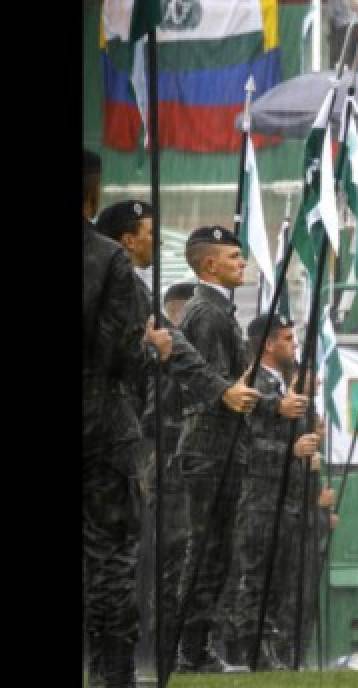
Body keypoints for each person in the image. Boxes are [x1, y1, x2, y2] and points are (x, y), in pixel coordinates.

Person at [93, 202, 239, 677]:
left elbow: (172, 345)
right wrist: (151, 350)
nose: (156, 243)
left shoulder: (123, 280)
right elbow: (156, 350)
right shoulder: (119, 278)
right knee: (121, 549)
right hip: (117, 429)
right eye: (149, 233)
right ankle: (119, 666)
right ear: (126, 239)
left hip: (117, 426)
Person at [173, 227, 309, 673]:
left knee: (215, 551)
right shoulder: (209, 314)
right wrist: (273, 404)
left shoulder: (217, 311)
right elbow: (220, 389)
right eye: (233, 257)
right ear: (208, 264)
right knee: (207, 551)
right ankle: (191, 649)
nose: (242, 264)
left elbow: (231, 387)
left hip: (222, 446)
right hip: (212, 445)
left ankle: (196, 645)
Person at [83, 151, 169, 688]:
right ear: (92, 193)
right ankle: (112, 672)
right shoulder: (108, 259)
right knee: (111, 555)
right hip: (100, 422)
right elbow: (118, 355)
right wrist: (153, 348)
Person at [225, 314, 322, 670]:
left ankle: (269, 645)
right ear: (267, 344)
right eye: (286, 339)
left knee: (277, 575)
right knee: (256, 574)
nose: (293, 346)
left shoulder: (281, 385)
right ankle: (251, 647)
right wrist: (290, 452)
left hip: (282, 497)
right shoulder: (252, 384)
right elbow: (245, 443)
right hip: (259, 497)